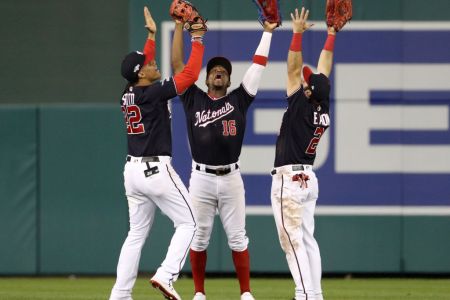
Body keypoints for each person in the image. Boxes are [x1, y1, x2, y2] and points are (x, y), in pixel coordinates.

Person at [171, 18, 278, 300]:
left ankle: (245, 294)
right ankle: (198, 293)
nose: (218, 72)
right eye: (214, 70)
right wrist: (179, 31)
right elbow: (178, 68)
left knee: (238, 237)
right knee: (199, 237)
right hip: (201, 179)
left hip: (231, 178)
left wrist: (267, 33)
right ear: (206, 79)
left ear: (229, 80)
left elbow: (258, 65)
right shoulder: (193, 98)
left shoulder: (239, 100)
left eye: (224, 71)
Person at [109, 6, 206, 300]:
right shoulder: (152, 93)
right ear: (141, 74)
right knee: (190, 222)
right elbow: (189, 74)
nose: (153, 62)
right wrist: (198, 39)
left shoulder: (129, 91)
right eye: (148, 63)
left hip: (132, 173)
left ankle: (120, 295)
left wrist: (152, 34)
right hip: (155, 170)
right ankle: (166, 274)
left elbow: (140, 63)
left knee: (135, 235)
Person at [270, 7, 337, 300]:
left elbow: (293, 69)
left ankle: (304, 294)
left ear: (308, 91)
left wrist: (296, 34)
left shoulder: (300, 105)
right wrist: (331, 35)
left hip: (290, 181)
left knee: (292, 241)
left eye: (307, 84)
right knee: (308, 240)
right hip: (309, 179)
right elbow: (324, 70)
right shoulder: (323, 106)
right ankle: (315, 294)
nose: (304, 82)